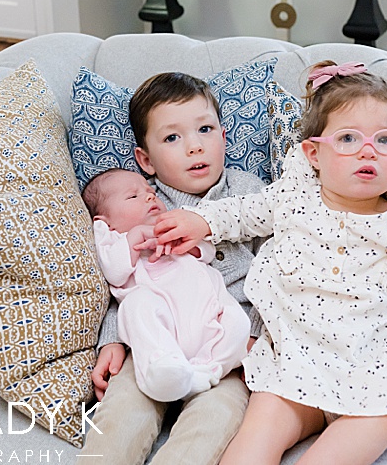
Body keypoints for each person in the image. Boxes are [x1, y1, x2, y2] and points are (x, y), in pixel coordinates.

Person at [153, 61, 387, 465]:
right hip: (297, 359)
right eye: (349, 138)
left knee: (356, 433)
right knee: (250, 448)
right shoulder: (294, 198)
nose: (368, 150)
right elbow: (244, 212)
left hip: (383, 369)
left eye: (385, 140)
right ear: (314, 154)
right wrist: (200, 220)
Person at [82, 72, 268, 465]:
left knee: (214, 417)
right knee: (122, 412)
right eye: (172, 138)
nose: (195, 146)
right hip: (157, 340)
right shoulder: (140, 202)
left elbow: (278, 270)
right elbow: (125, 281)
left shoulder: (249, 191)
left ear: (223, 135)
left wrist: (256, 335)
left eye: (205, 129)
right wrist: (112, 339)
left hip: (225, 347)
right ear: (145, 160)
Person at [83, 168, 250, 403]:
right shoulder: (112, 240)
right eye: (133, 196)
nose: (150, 196)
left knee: (239, 322)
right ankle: (162, 372)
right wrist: (136, 236)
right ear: (104, 222)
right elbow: (114, 273)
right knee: (135, 305)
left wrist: (184, 243)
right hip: (165, 326)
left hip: (207, 314)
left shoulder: (172, 222)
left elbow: (208, 251)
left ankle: (209, 370)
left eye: (151, 192)